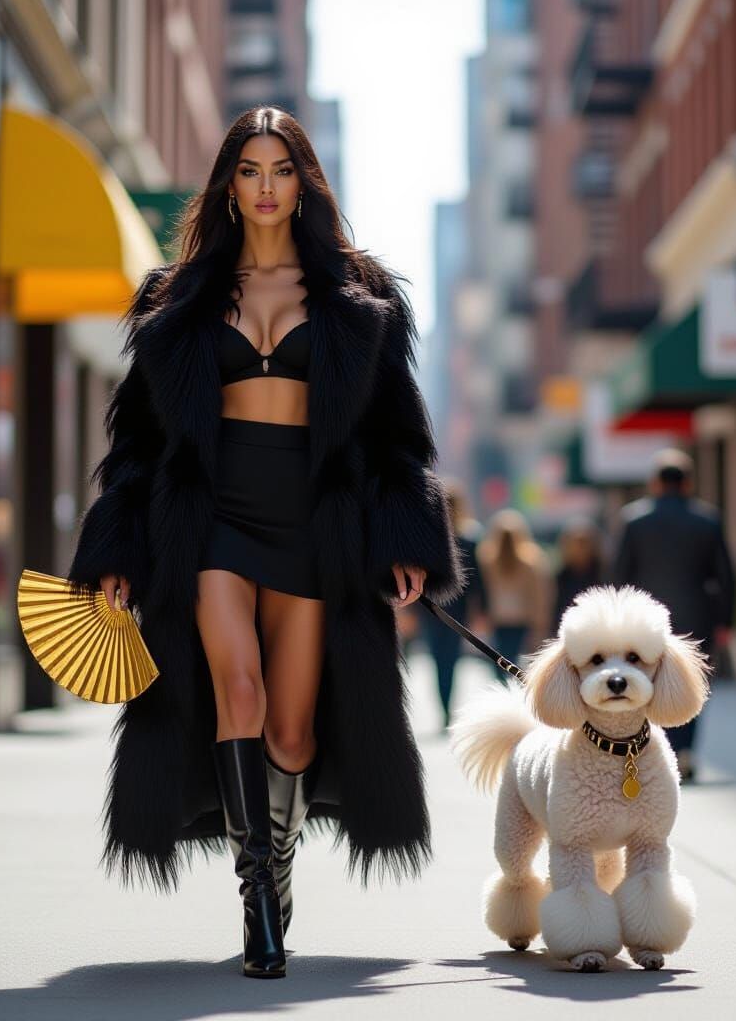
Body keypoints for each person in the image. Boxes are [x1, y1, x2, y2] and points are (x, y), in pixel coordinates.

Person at [66, 106, 465, 979]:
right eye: (248, 170)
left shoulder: (361, 300)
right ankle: (257, 902)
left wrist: (405, 535)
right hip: (212, 524)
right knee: (234, 692)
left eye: (281, 169)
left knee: (290, 733)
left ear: (304, 182)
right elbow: (137, 442)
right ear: (228, 184)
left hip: (314, 529)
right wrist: (120, 551)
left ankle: (274, 862)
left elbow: (398, 438)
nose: (265, 187)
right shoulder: (178, 302)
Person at [612, 448, 735, 783]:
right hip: (697, 616)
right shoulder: (707, 521)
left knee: (649, 684)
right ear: (688, 483)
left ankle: (658, 752)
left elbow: (620, 575)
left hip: (646, 620)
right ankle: (686, 751)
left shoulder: (634, 520)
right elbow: (726, 575)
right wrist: (726, 622)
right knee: (691, 684)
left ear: (655, 483)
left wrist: (619, 621)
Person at [420, 478, 489, 730]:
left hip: (432, 607)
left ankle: (446, 708)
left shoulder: (431, 538)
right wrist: (482, 611)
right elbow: (478, 582)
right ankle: (447, 708)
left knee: (440, 660)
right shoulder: (469, 538)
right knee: (449, 660)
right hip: (452, 609)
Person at [476, 508, 553, 683]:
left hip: (514, 620)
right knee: (507, 663)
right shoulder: (489, 559)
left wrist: (539, 621)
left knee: (505, 663)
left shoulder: (527, 560)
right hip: (504, 620)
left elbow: (539, 594)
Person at [553, 518, 607, 625]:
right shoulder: (559, 579)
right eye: (575, 543)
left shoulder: (605, 576)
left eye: (583, 543)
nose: (579, 548)